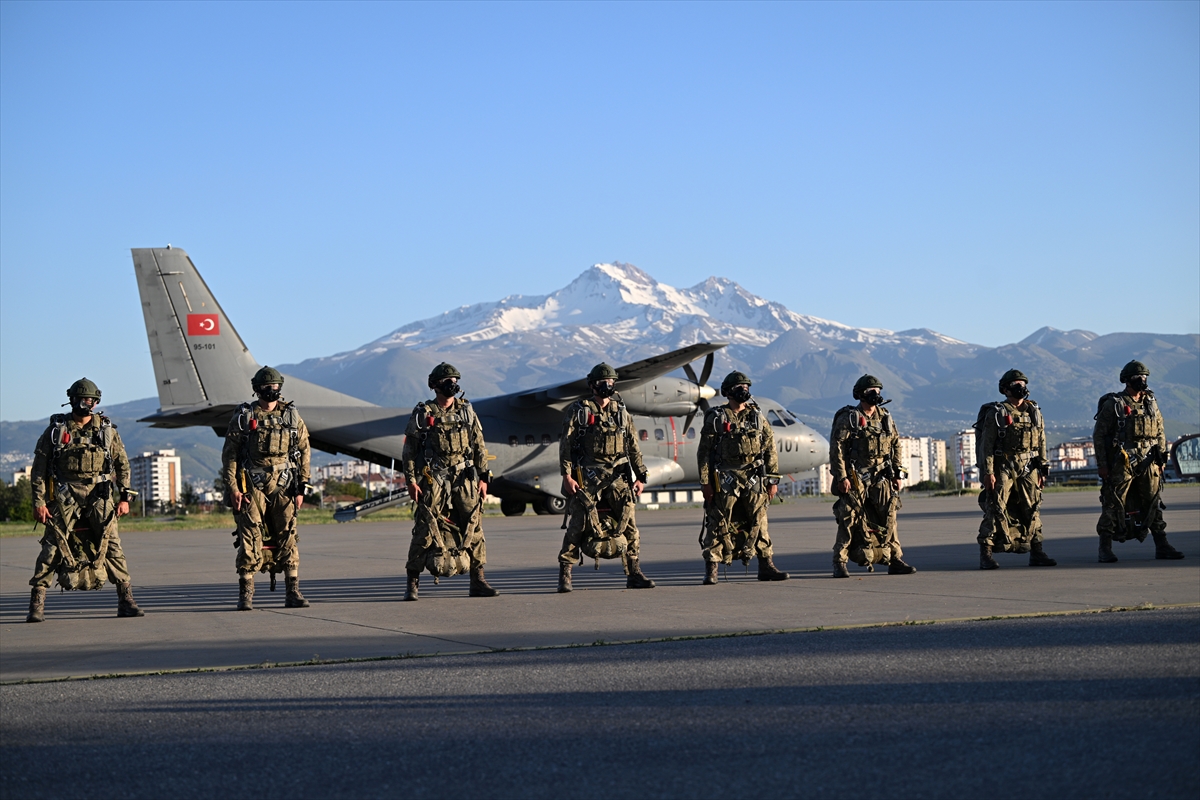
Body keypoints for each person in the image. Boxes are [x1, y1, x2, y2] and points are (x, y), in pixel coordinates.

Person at [25, 378, 144, 622]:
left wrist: (125, 497)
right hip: (64, 494)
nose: (84, 403)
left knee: (112, 545)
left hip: (99, 493)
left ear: (96, 401)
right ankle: (37, 602)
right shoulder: (57, 431)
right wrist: (38, 503)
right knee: (52, 546)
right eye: (79, 399)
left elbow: (123, 465)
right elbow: (39, 469)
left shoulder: (107, 431)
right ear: (71, 400)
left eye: (88, 400)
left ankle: (126, 599)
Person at [402, 363, 497, 601]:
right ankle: (412, 583)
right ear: (434, 385)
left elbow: (479, 445)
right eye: (446, 380)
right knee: (425, 528)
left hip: (465, 478)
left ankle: (478, 579)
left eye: (454, 379)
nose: (451, 384)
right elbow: (409, 451)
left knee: (474, 526)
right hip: (434, 478)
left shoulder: (466, 411)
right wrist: (411, 481)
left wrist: (484, 477)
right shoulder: (424, 413)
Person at [557, 363, 655, 593]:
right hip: (588, 477)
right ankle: (565, 573)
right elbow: (566, 446)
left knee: (629, 524)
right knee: (578, 524)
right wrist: (567, 475)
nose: (607, 386)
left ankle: (634, 572)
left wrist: (641, 476)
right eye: (602, 382)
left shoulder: (621, 412)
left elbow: (633, 447)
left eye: (611, 382)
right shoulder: (579, 411)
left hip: (617, 477)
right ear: (592, 385)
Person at [221, 366, 312, 610]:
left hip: (284, 483)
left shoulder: (291, 416)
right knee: (249, 535)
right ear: (257, 389)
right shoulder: (244, 416)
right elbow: (229, 455)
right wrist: (233, 488)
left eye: (275, 387)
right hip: (252, 482)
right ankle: (246, 594)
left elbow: (304, 450)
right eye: (267, 387)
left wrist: (302, 486)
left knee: (288, 534)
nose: (272, 391)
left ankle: (292, 591)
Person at [697, 371, 788, 584]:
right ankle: (712, 568)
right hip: (725, 478)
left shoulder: (757, 417)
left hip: (753, 477)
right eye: (738, 387)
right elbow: (704, 452)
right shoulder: (716, 417)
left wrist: (772, 480)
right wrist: (705, 482)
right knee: (718, 522)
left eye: (746, 387)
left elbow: (770, 449)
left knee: (760, 521)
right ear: (728, 392)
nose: (743, 391)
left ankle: (766, 564)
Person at [1093, 360, 1184, 563]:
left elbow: (1160, 431)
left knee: (1153, 502)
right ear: (1126, 380)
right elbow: (1099, 435)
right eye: (1137, 377)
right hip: (1122, 460)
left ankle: (1162, 545)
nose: (1142, 381)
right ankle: (1104, 547)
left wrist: (1162, 459)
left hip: (1149, 460)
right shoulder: (1115, 404)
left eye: (1144, 377)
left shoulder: (1150, 402)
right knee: (1113, 502)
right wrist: (1103, 465)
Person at [829, 375, 917, 578]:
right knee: (849, 518)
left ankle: (895, 558)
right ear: (860, 394)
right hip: (856, 475)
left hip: (881, 476)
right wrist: (842, 477)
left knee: (890, 516)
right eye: (870, 391)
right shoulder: (849, 417)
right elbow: (837, 449)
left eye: (877, 390)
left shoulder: (885, 417)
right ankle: (839, 561)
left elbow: (895, 444)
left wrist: (897, 473)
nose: (875, 394)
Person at [977, 369, 1057, 569]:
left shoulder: (1034, 412)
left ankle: (1037, 550)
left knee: (1033, 507)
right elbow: (986, 445)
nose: (1020, 387)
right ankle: (985, 553)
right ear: (1005, 389)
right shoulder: (998, 413)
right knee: (996, 507)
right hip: (1003, 466)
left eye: (1022, 383)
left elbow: (1041, 441)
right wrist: (988, 472)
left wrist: (1043, 467)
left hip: (1029, 466)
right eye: (1015, 384)